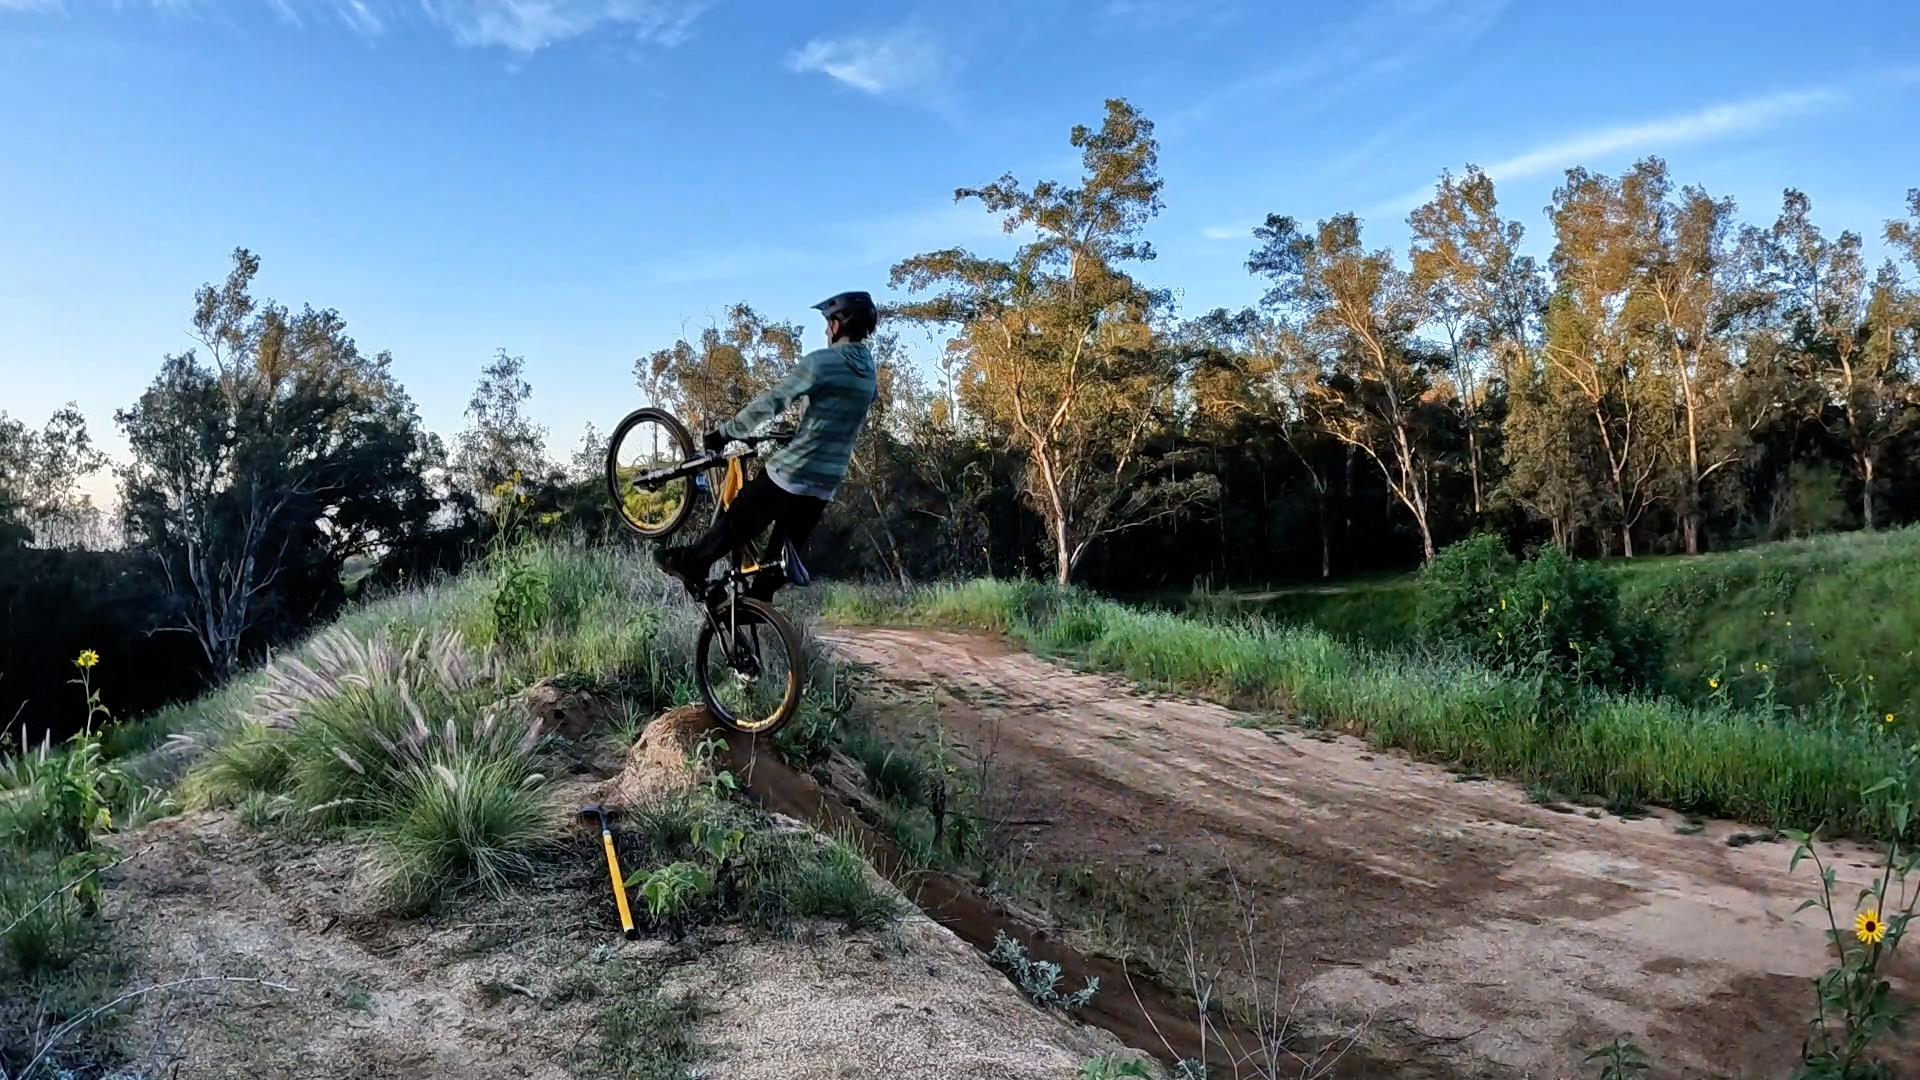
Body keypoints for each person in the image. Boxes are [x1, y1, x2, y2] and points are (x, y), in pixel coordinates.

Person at [654, 291, 879, 602]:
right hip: (825, 484)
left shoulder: (822, 362)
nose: (827, 331)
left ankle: (693, 563)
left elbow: (773, 401)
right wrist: (807, 430)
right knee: (772, 568)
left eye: (829, 324)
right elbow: (846, 412)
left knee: (737, 521)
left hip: (794, 470)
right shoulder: (869, 373)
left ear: (838, 325)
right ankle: (753, 610)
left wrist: (727, 432)